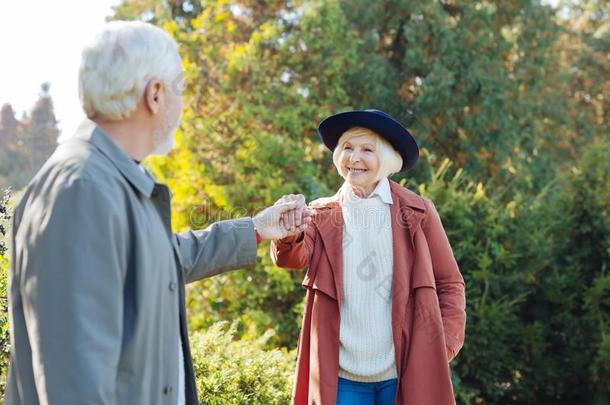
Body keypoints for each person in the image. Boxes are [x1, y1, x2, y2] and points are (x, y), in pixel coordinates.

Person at [6, 21, 310, 405]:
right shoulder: (82, 190)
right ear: (154, 95)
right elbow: (73, 381)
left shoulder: (115, 178)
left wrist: (257, 228)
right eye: (179, 88)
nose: (182, 102)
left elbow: (165, 257)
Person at [271, 109, 467, 404]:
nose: (354, 158)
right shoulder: (321, 213)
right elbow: (292, 258)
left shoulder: (418, 212)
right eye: (347, 148)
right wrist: (289, 231)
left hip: (403, 372)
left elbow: (449, 284)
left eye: (367, 149)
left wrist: (442, 346)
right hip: (342, 377)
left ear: (386, 158)